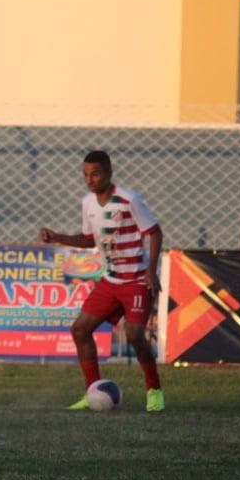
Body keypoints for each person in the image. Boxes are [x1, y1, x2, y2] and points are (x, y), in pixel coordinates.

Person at [38, 150, 165, 412]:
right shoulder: (88, 203)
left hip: (137, 279)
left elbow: (154, 233)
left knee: (134, 334)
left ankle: (154, 391)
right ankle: (92, 391)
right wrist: (57, 236)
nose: (90, 180)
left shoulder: (129, 200)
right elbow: (88, 239)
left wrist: (151, 271)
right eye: (85, 175)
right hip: (111, 280)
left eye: (95, 174)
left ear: (109, 173)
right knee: (80, 330)